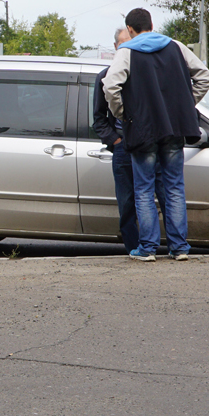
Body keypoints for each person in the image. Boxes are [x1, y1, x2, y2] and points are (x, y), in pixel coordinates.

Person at [102, 8, 209, 262]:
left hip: (142, 131)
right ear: (151, 24)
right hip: (173, 129)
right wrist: (185, 106)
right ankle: (179, 248)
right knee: (174, 187)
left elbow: (110, 85)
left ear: (129, 30)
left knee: (143, 190)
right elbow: (204, 77)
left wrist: (123, 114)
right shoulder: (176, 46)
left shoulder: (127, 51)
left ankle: (148, 249)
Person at [92, 28, 141, 254]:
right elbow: (98, 120)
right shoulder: (104, 77)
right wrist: (116, 141)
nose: (126, 50)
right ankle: (133, 249)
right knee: (127, 203)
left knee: (151, 199)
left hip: (147, 144)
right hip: (123, 149)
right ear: (115, 48)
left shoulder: (143, 74)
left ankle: (152, 246)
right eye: (123, 45)